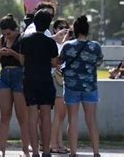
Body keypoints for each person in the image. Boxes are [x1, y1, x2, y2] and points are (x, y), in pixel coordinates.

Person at [59, 16, 103, 157]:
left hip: (71, 87)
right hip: (90, 87)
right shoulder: (95, 46)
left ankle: (73, 153)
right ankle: (96, 152)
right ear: (87, 30)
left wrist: (65, 41)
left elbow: (59, 61)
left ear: (75, 30)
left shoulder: (68, 46)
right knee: (91, 120)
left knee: (72, 120)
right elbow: (99, 62)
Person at [19, 9, 59, 157]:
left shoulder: (25, 40)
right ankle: (46, 151)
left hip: (29, 80)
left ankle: (34, 151)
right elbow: (54, 63)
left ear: (34, 23)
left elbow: (22, 60)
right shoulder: (50, 42)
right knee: (46, 116)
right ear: (49, 24)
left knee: (32, 117)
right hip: (45, 81)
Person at [0, 14, 29, 157]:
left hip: (19, 76)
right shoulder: (2, 40)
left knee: (22, 116)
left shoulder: (22, 39)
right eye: (4, 34)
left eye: (8, 33)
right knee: (5, 115)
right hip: (4, 76)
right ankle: (1, 150)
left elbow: (24, 60)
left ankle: (25, 149)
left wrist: (12, 52)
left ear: (14, 29)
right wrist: (1, 54)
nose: (6, 36)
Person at [50, 19, 71, 154]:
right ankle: (53, 144)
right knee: (59, 114)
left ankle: (59, 143)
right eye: (60, 28)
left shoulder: (67, 45)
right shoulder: (53, 43)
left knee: (62, 115)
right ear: (55, 30)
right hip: (55, 80)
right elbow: (56, 61)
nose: (63, 30)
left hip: (63, 80)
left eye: (66, 28)